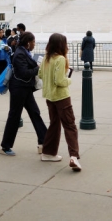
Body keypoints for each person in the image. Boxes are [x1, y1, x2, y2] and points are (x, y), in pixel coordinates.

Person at [38, 33, 81, 171]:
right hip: (61, 97)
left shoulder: (46, 57)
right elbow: (60, 81)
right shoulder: (60, 59)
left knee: (54, 124)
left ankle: (48, 152)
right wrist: (69, 79)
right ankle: (74, 156)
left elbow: (39, 74)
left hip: (49, 96)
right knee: (70, 126)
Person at [0, 32, 47, 156]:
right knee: (14, 116)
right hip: (19, 88)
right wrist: (38, 68)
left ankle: (45, 141)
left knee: (35, 113)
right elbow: (24, 73)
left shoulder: (23, 52)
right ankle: (5, 146)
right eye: (33, 42)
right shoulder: (20, 54)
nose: (34, 44)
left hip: (25, 88)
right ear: (28, 43)